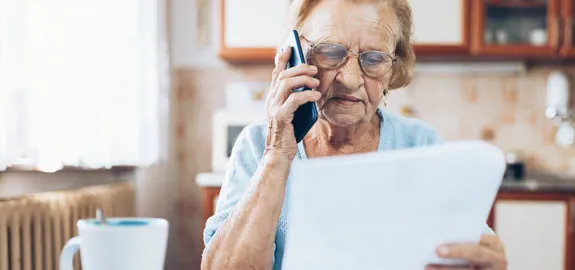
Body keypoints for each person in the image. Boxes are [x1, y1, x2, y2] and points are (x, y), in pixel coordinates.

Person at [201, 0, 508, 269]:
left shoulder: (420, 145)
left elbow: (467, 247)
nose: (349, 80)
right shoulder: (258, 146)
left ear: (393, 68)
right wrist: (277, 155)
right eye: (329, 53)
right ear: (296, 56)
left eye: (373, 58)